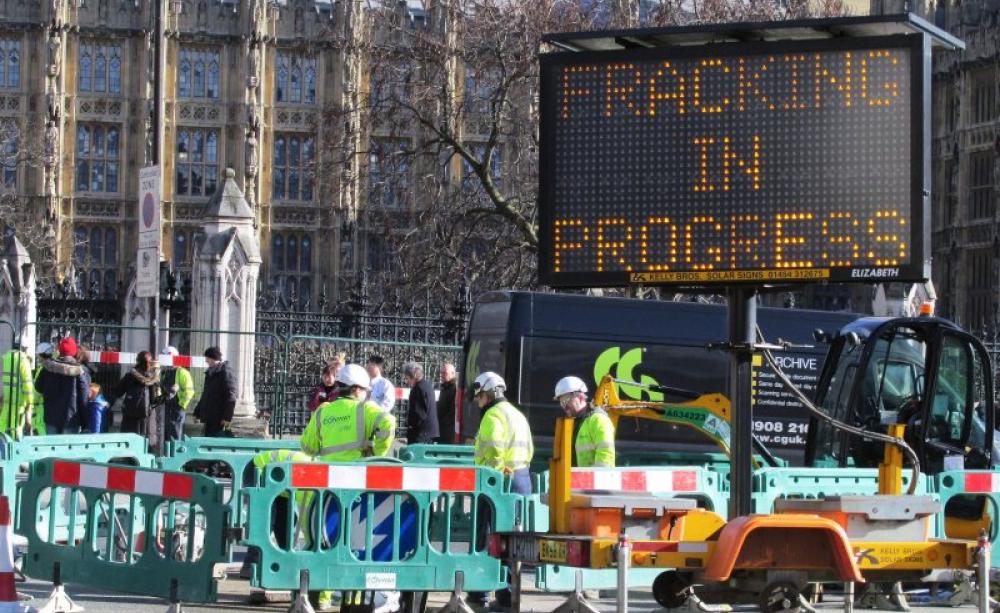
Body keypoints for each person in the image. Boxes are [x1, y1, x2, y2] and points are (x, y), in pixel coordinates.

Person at [470, 371, 533, 612]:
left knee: (486, 538)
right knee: (510, 542)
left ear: (490, 393)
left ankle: (480, 592)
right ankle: (507, 597)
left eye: (480, 397)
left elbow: (495, 448)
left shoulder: (493, 415)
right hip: (520, 478)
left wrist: (493, 477)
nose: (479, 402)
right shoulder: (517, 415)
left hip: (497, 482)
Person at [300, 364, 396, 461]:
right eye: (366, 391)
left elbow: (308, 448)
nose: (367, 395)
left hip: (329, 472)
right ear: (356, 390)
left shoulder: (323, 410)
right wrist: (377, 453)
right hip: (359, 471)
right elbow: (388, 421)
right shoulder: (366, 408)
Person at [553, 376, 615, 468]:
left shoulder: (598, 420)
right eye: (562, 403)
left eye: (566, 401)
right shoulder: (573, 423)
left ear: (581, 397)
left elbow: (605, 458)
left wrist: (591, 480)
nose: (564, 407)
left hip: (595, 480)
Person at [35, 337, 88, 435]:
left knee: (52, 447)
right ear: (74, 352)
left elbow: (38, 387)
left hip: (51, 417)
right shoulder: (78, 372)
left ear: (60, 351)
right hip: (71, 419)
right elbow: (83, 398)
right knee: (68, 449)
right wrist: (85, 422)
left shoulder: (47, 368)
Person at [117, 351, 163, 448]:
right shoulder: (153, 378)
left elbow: (117, 391)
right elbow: (156, 400)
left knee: (128, 441)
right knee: (146, 443)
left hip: (129, 416)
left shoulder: (130, 376)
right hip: (146, 416)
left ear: (137, 361)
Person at [193, 347, 237, 437]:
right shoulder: (210, 373)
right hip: (209, 417)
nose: (206, 361)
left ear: (213, 358)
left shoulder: (225, 372)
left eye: (207, 358)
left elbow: (231, 395)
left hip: (219, 418)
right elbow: (205, 395)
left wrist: (227, 417)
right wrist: (197, 412)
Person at [160, 346, 195, 443]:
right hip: (166, 407)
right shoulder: (164, 372)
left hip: (176, 408)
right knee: (166, 435)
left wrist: (181, 405)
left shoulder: (182, 373)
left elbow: (189, 391)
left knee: (175, 435)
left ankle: (174, 455)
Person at [1, 341, 33, 438]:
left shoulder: (5, 358)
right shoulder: (23, 360)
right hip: (19, 403)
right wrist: (30, 402)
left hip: (7, 400)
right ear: (24, 349)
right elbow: (27, 384)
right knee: (16, 428)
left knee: (2, 424)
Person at [403, 362, 438, 444]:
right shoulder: (427, 385)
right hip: (429, 432)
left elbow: (419, 414)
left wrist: (410, 425)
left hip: (421, 434)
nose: (406, 381)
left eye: (407, 378)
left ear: (414, 376)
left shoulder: (418, 389)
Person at [30, 342, 54, 435]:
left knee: (40, 429)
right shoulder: (52, 366)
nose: (37, 357)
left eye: (38, 354)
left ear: (42, 355)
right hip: (46, 406)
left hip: (41, 406)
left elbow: (37, 391)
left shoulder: (43, 369)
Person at [437, 362, 457, 444]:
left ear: (452, 374)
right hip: (443, 429)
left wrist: (442, 423)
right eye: (441, 372)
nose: (442, 375)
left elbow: (452, 411)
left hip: (448, 431)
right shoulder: (445, 387)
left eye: (445, 373)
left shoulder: (454, 389)